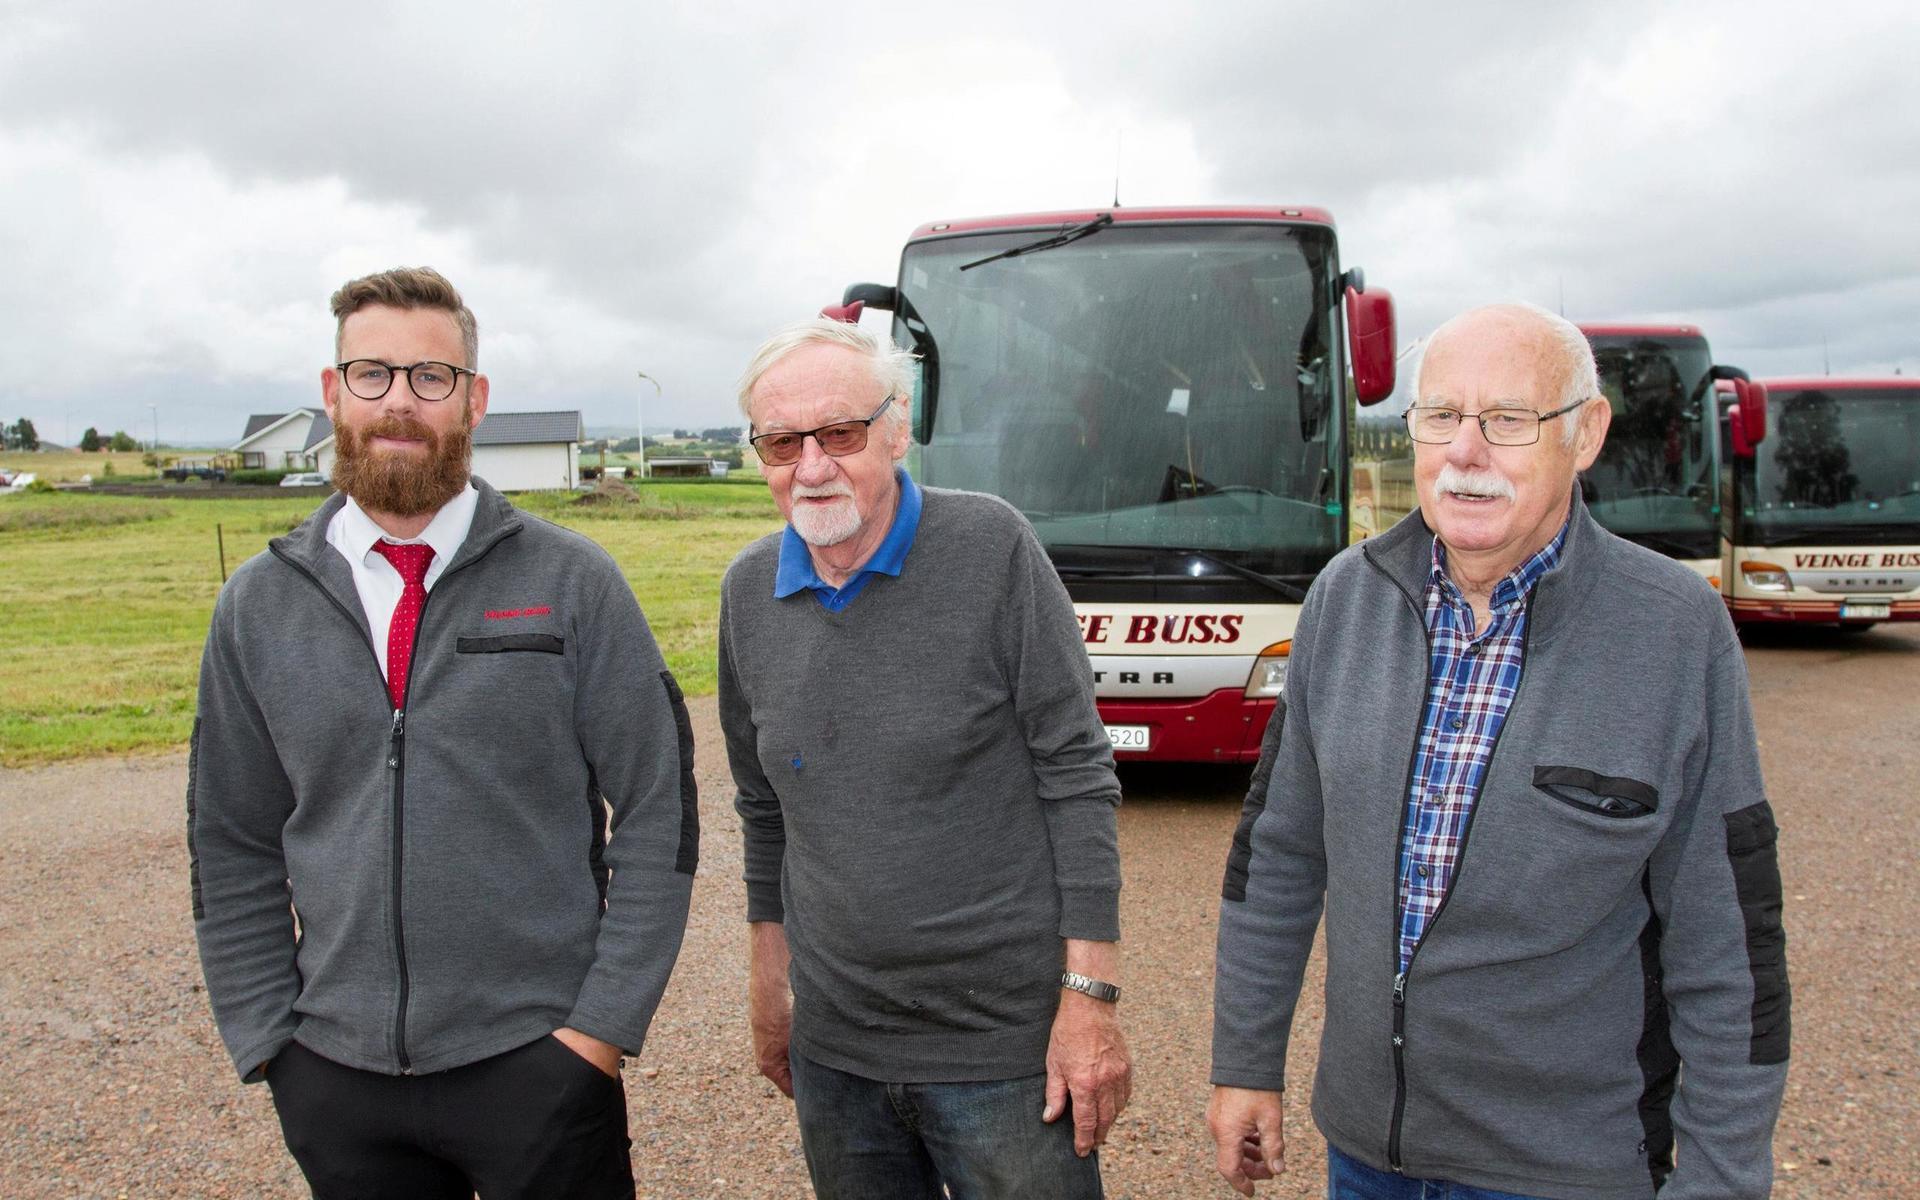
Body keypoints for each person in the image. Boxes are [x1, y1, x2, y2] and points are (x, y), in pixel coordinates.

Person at [1208, 303, 1790, 1199]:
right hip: (1367, 1160)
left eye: (1508, 421)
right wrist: (1246, 1061)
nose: (1466, 454)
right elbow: (1277, 857)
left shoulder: (1676, 632)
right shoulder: (1344, 601)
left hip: (1566, 1171)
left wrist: (1720, 1177)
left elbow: (1728, 945)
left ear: (1585, 434)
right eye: (1440, 417)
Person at [189, 266, 697, 1199]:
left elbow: (663, 809)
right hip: (335, 1081)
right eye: (373, 374)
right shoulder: (257, 605)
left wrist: (598, 1030)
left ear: (475, 400)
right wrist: (269, 1038)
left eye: (432, 378)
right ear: (333, 393)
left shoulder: (575, 582)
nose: (401, 403)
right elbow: (229, 838)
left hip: (538, 1065)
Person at [718, 318, 1132, 1199]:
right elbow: (762, 809)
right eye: (782, 442)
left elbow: (1076, 771)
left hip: (1003, 1055)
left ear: (897, 429)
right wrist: (769, 985)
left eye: (840, 432)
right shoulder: (748, 592)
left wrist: (1089, 999)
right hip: (838, 1057)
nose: (813, 465)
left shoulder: (993, 550)